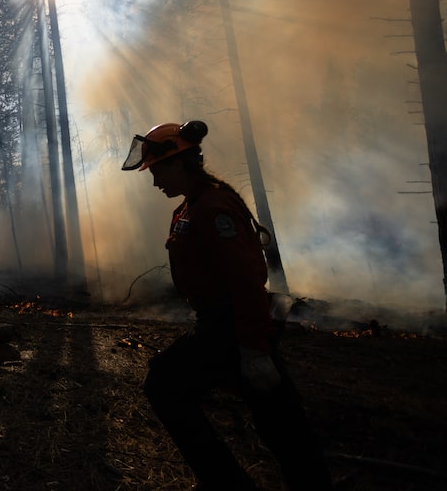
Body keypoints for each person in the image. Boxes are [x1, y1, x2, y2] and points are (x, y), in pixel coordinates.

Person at [121, 120, 332, 491]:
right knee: (278, 418)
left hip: (231, 326)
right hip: (222, 325)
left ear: (178, 163)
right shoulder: (195, 205)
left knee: (166, 385)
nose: (154, 181)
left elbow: (244, 280)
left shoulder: (213, 207)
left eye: (156, 171)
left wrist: (253, 348)